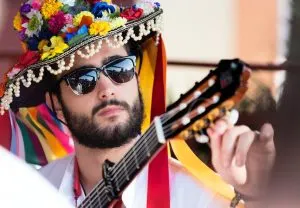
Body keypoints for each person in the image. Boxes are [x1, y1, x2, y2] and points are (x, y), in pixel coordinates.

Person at [0, 0, 275, 207]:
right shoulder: (31, 192)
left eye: (120, 69)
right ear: (56, 104)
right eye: (83, 80)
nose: (107, 89)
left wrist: (254, 193)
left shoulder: (194, 195)